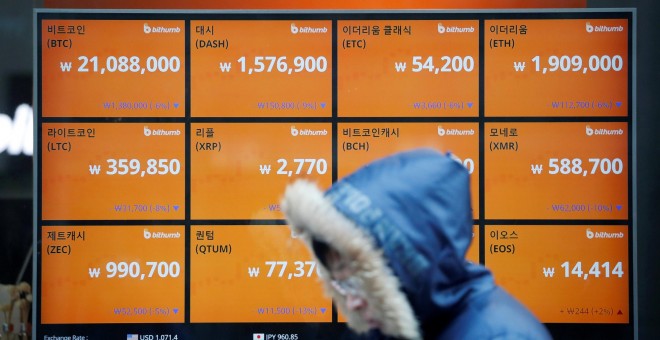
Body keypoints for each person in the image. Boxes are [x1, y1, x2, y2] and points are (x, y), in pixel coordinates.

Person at [281, 148, 552, 340]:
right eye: (340, 283)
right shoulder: (391, 325)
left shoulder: (502, 335)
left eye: (358, 281)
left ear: (404, 263)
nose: (351, 303)